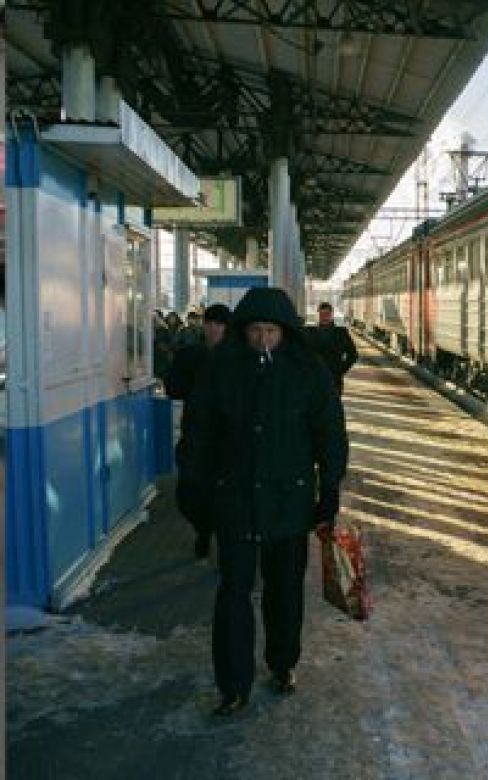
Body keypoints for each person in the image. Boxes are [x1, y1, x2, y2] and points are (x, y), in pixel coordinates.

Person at [178, 287, 348, 716]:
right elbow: (198, 432)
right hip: (233, 499)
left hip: (289, 502)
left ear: (286, 332)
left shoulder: (309, 371)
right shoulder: (221, 369)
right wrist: (193, 485)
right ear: (242, 331)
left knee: (284, 590)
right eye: (254, 330)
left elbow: (330, 433)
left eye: (271, 331)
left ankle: (283, 663)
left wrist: (329, 488)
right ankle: (233, 685)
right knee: (233, 592)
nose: (262, 339)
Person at [168, 303, 232, 558]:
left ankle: (220, 539)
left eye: (219, 324)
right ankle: (203, 529)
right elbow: (173, 388)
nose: (213, 329)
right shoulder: (190, 355)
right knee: (190, 493)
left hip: (228, 440)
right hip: (196, 436)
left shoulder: (239, 358)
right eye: (210, 323)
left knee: (224, 495)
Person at [305, 302, 359, 395]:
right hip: (314, 379)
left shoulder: (341, 333)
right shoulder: (309, 332)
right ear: (318, 315)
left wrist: (341, 370)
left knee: (334, 406)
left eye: (327, 314)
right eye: (321, 314)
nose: (324, 317)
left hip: (334, 378)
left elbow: (353, 354)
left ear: (332, 314)